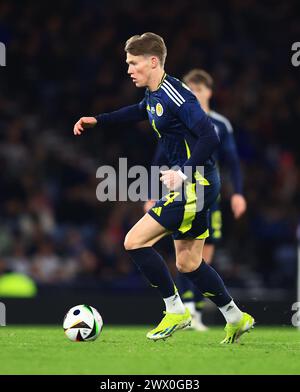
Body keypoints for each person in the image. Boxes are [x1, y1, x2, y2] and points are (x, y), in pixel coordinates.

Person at [74, 32, 254, 343]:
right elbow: (138, 111)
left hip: (194, 185)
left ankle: (174, 309)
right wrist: (99, 121)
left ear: (153, 61)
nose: (129, 69)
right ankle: (236, 317)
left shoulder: (177, 95)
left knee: (134, 241)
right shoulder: (155, 95)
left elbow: (210, 135)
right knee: (188, 262)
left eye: (133, 63)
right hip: (201, 183)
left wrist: (183, 173)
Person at [146, 69, 247, 331]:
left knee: (201, 256)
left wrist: (237, 192)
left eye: (200, 90)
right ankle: (190, 307)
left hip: (210, 195)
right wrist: (149, 193)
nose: (196, 94)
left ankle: (196, 310)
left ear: (210, 93)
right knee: (186, 255)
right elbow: (159, 159)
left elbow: (233, 162)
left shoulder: (221, 125)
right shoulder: (177, 118)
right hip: (183, 193)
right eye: (192, 90)